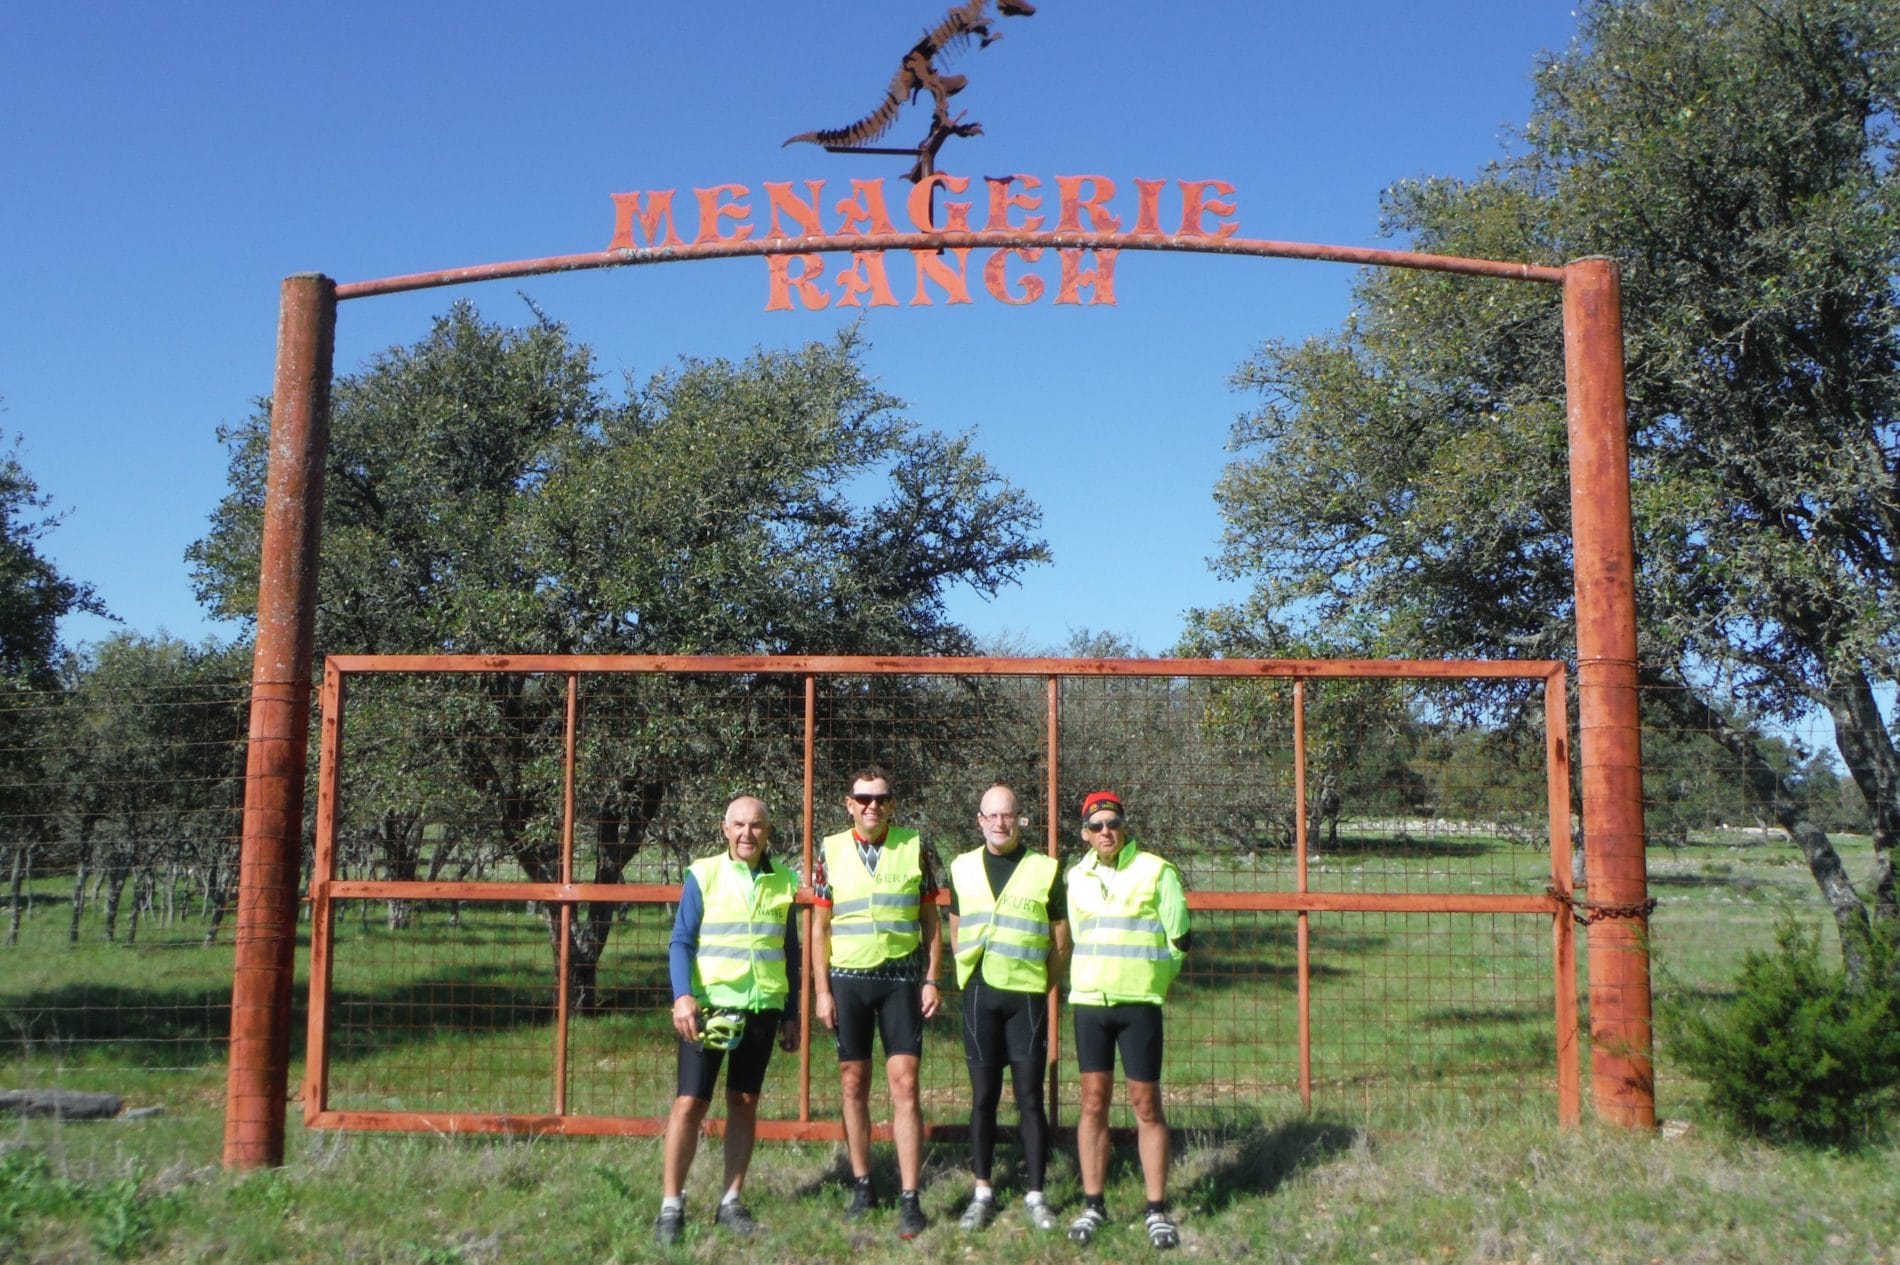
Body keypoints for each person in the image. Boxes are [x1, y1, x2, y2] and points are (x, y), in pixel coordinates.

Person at [654, 795, 802, 1246]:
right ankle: (671, 1206)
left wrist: (792, 1013)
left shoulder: (785, 881)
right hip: (710, 1008)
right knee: (690, 1103)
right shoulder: (704, 874)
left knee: (744, 1101)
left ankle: (731, 1201)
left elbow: (790, 950)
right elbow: (681, 941)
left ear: (768, 831)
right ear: (725, 829)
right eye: (738, 824)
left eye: (756, 825)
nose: (746, 834)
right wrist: (683, 997)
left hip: (762, 1006)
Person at [810, 764, 945, 1241]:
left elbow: (931, 921)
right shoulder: (829, 849)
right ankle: (863, 1184)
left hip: (901, 979)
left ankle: (910, 1196)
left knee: (905, 1084)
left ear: (892, 804)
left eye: (882, 798)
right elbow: (819, 928)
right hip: (848, 979)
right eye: (864, 799)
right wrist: (822, 992)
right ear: (849, 804)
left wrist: (932, 979)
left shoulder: (915, 846)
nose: (873, 806)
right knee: (853, 1083)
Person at [1064, 791, 1190, 1251]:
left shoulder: (1156, 870)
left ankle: (1156, 1209)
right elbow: (1078, 935)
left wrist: (1155, 980)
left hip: (1139, 1004)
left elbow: (1179, 938)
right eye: (1096, 826)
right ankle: (1093, 1203)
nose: (1106, 832)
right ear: (1085, 833)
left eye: (1113, 823)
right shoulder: (1075, 877)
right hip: (1090, 1004)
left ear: (1124, 826)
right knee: (1093, 1103)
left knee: (1146, 1105)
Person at [946, 784, 1070, 1233]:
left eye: (1008, 815)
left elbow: (1061, 942)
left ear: (1020, 819)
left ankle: (1036, 1195)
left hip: (1027, 999)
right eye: (992, 815)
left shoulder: (1045, 869)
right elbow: (956, 929)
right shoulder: (961, 867)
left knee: (1030, 1098)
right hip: (980, 993)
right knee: (983, 1097)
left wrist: (1039, 984)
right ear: (980, 820)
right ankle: (982, 1192)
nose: (1000, 823)